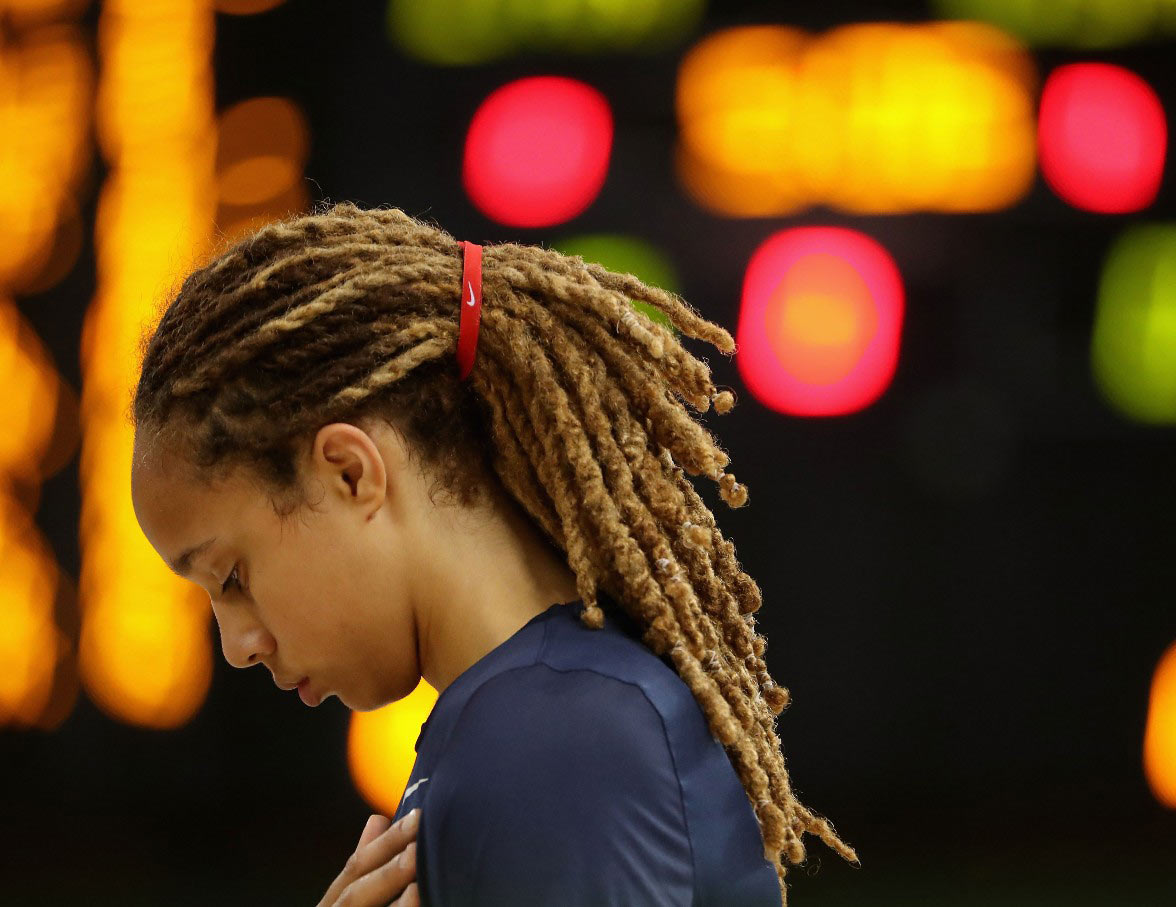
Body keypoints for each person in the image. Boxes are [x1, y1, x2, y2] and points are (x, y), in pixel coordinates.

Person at [128, 201, 858, 905]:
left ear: (351, 472)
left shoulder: (549, 741)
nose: (236, 646)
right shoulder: (536, 715)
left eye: (230, 576)